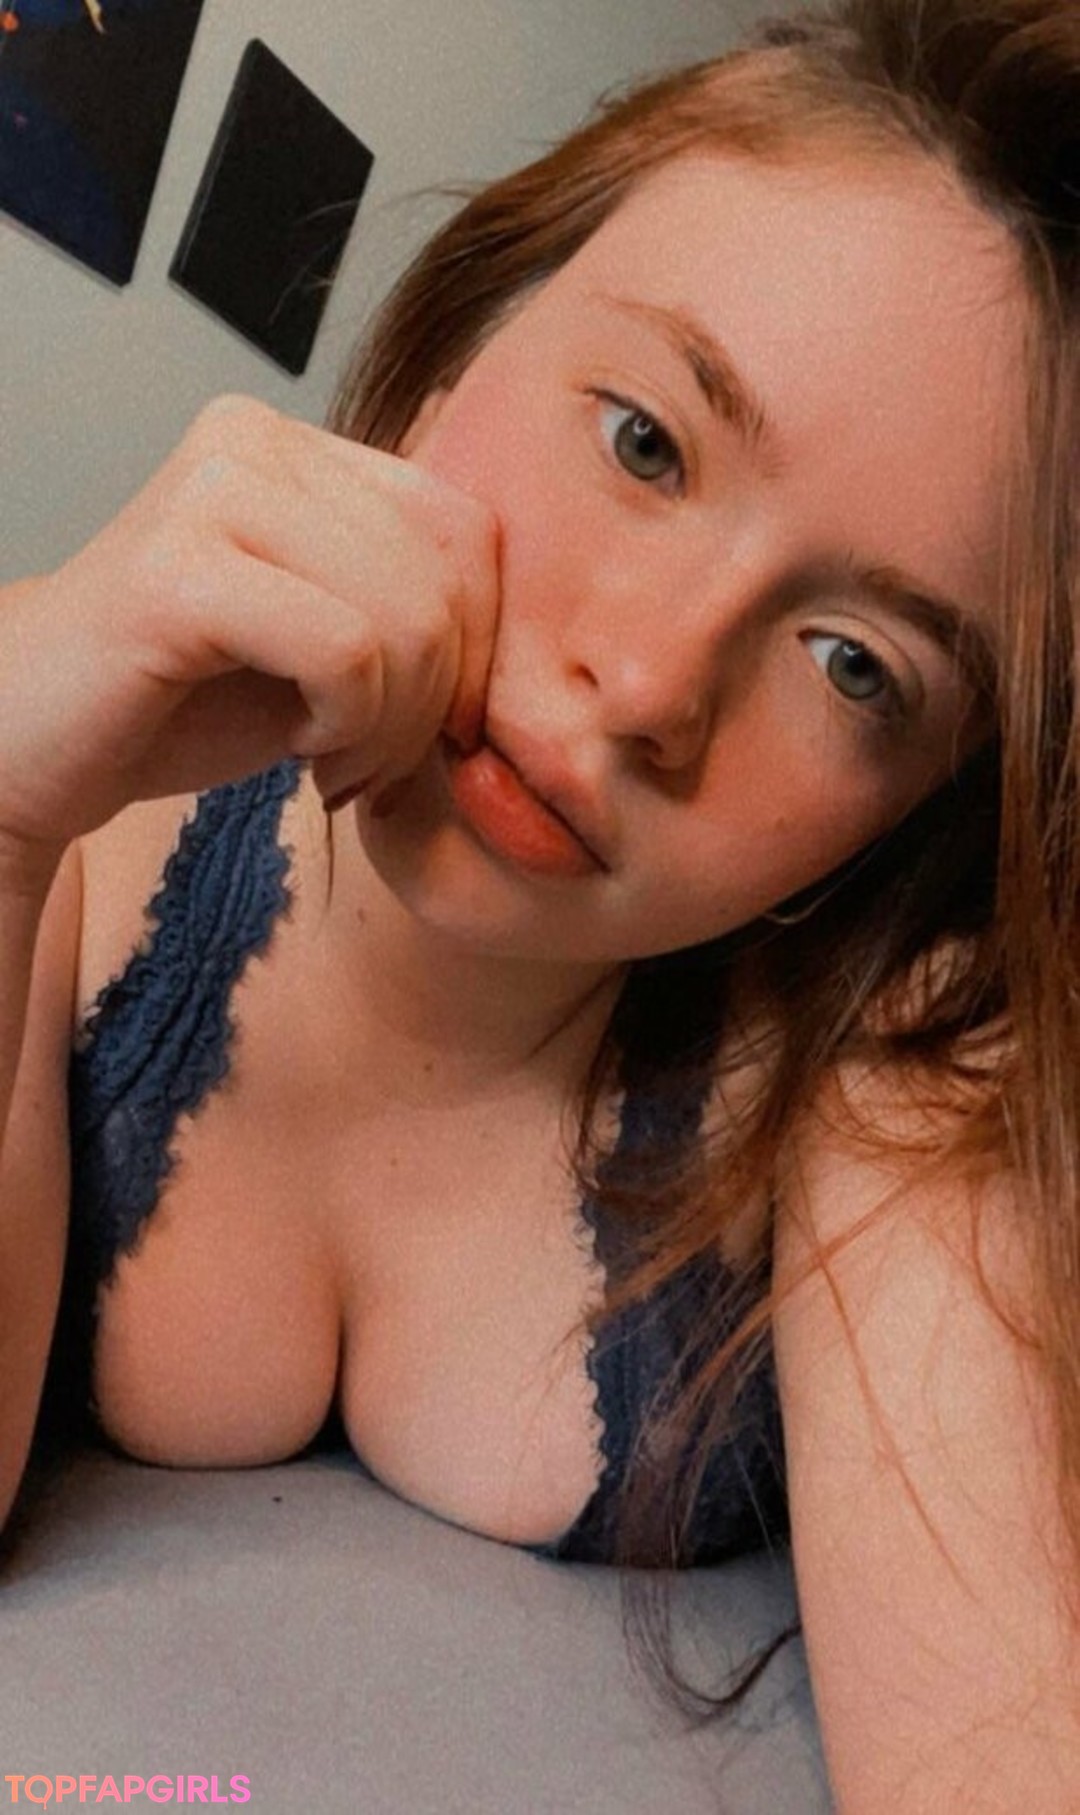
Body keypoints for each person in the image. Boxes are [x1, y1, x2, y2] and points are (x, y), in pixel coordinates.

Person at [1, 0, 1077, 1803]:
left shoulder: (891, 1077)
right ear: (449, 356)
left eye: (856, 666)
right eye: (645, 442)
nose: (650, 684)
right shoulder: (71, 834)